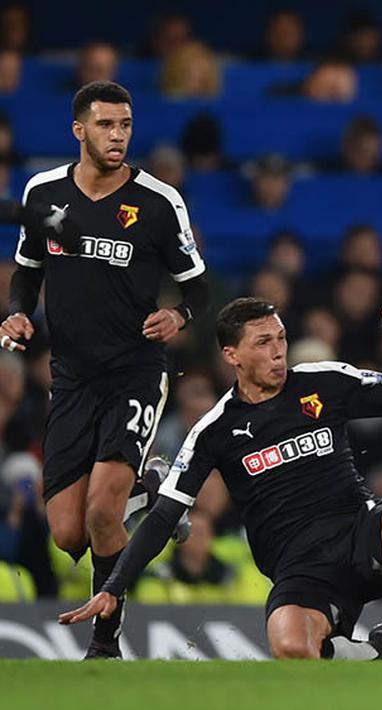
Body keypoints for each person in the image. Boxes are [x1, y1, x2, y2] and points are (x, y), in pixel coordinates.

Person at [59, 298, 382, 660]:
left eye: (281, 339)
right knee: (291, 647)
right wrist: (115, 585)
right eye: (263, 343)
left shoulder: (324, 382)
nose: (278, 352)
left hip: (358, 531)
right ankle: (379, 654)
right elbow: (165, 515)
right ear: (232, 355)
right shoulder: (214, 430)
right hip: (298, 569)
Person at [2, 81, 211, 658]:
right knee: (67, 532)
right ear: (80, 130)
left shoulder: (158, 201)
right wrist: (17, 314)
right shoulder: (44, 192)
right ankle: (149, 493)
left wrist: (179, 313)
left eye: (124, 125)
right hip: (70, 377)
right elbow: (27, 270)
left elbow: (199, 285)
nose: (117, 136)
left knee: (100, 512)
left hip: (134, 371)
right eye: (105, 125)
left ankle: (105, 643)